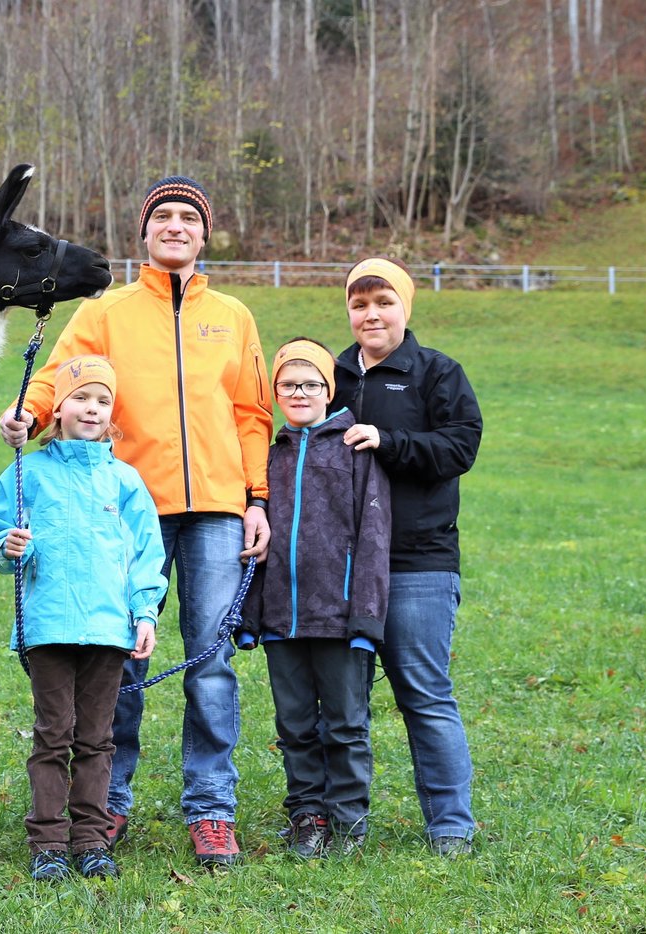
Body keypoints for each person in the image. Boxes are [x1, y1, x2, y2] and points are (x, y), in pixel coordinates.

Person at [0, 176, 273, 867]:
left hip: (215, 508)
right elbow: (58, 375)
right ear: (145, 232)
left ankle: (211, 811)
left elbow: (252, 414)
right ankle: (104, 807)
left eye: (188, 217)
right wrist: (28, 414)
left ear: (204, 235)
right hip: (120, 507)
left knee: (210, 665)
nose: (175, 226)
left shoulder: (234, 317)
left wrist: (258, 497)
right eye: (163, 217)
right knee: (111, 660)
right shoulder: (108, 312)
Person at [0, 354, 168, 882]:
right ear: (57, 408)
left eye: (102, 400)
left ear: (112, 414)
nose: (91, 408)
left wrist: (144, 612)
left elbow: (145, 555)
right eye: (80, 397)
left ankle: (91, 840)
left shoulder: (125, 481)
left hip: (109, 631)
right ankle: (47, 842)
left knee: (96, 738)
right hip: (48, 627)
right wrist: (10, 546)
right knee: (53, 734)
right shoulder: (28, 472)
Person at [329, 257, 483, 856]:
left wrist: (387, 442)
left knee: (424, 693)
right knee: (343, 701)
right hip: (342, 563)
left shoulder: (437, 373)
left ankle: (451, 826)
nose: (371, 314)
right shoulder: (332, 373)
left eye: (383, 302)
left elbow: (460, 445)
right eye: (359, 303)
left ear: (405, 307)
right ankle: (344, 823)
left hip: (418, 560)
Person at [238, 338, 391, 858]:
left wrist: (366, 616)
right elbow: (255, 538)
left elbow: (373, 537)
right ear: (276, 392)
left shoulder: (353, 450)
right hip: (282, 615)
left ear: (329, 390)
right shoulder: (269, 454)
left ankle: (349, 821)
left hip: (341, 615)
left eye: (311, 384)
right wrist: (252, 614)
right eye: (289, 385)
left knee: (345, 724)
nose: (299, 393)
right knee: (296, 724)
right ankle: (308, 815)